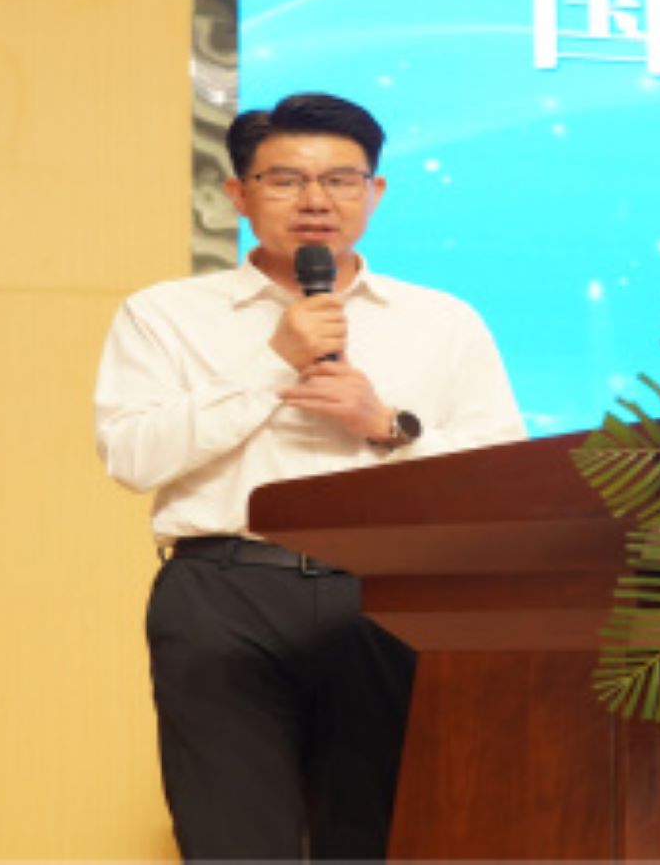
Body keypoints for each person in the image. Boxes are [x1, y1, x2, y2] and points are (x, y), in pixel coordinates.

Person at [93, 92, 527, 859]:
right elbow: (133, 456)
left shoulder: (442, 321)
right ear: (239, 194)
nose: (315, 201)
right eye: (287, 180)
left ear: (374, 192)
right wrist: (272, 365)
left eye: (340, 180)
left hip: (387, 594)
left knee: (378, 840)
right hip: (224, 592)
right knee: (231, 841)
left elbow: (501, 476)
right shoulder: (165, 315)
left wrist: (386, 426)